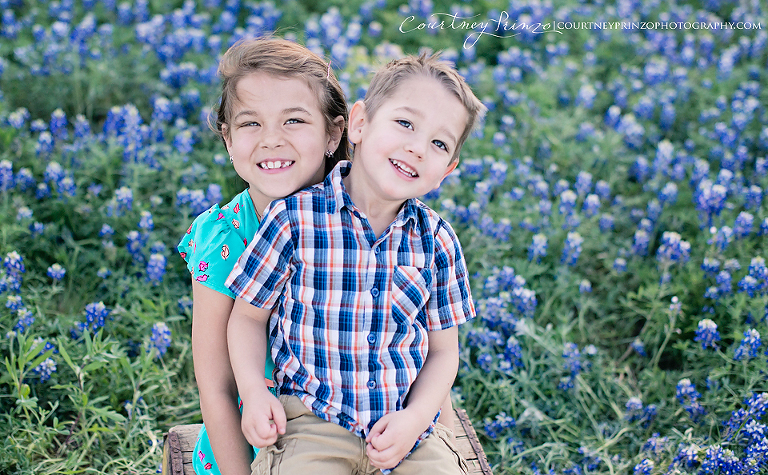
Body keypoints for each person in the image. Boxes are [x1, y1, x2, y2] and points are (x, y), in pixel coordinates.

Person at [226, 52, 486, 474]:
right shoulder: (294, 219)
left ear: (447, 170)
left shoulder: (438, 241)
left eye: (439, 143)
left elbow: (444, 353)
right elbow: (247, 320)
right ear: (360, 123)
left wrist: (416, 418)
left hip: (405, 432)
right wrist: (255, 392)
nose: (417, 148)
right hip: (313, 424)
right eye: (405, 123)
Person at [177, 37, 348, 475]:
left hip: (354, 436)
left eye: (294, 120)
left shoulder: (363, 224)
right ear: (228, 139)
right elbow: (215, 386)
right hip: (251, 447)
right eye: (251, 123)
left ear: (333, 133)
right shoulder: (224, 239)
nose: (272, 140)